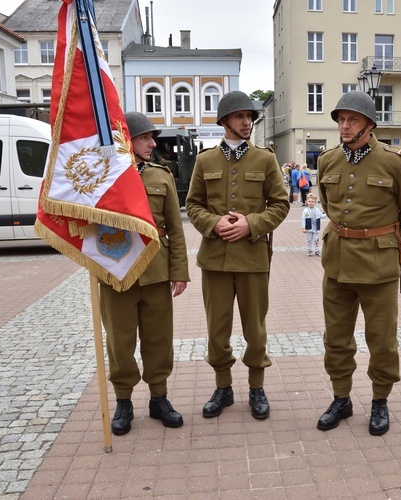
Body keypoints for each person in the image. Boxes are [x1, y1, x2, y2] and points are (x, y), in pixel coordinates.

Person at [316, 91, 401, 436]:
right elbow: (327, 205)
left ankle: (380, 400)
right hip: (336, 264)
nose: (345, 127)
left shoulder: (394, 160)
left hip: (379, 265)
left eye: (352, 120)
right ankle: (341, 398)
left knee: (381, 340)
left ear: (369, 124)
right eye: (341, 120)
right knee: (336, 338)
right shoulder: (327, 160)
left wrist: (385, 238)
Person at [185, 90, 290, 420]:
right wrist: (215, 224)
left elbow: (281, 204)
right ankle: (223, 387)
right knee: (217, 329)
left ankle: (257, 388)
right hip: (214, 259)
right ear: (224, 121)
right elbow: (193, 205)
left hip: (253, 257)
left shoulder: (265, 159)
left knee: (255, 329)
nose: (247, 122)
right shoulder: (205, 161)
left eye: (250, 117)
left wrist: (251, 224)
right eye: (240, 117)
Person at [102, 112, 190, 436]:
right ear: (127, 140)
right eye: (145, 138)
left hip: (155, 272)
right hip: (116, 272)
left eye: (152, 137)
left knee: (158, 340)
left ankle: (159, 398)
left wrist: (178, 271)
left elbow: (176, 230)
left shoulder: (161, 176)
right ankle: (123, 401)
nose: (153, 143)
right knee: (120, 342)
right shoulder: (104, 176)